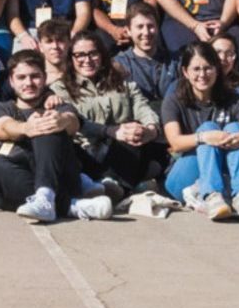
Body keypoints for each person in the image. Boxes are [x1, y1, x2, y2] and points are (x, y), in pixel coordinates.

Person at [0, 50, 107, 222]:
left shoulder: (57, 107)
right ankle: (73, 206)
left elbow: (73, 122)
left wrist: (61, 121)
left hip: (60, 179)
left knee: (48, 124)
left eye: (35, 76)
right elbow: (1, 127)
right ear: (11, 82)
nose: (28, 83)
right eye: (21, 77)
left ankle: (46, 196)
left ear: (44, 78)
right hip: (16, 182)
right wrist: (25, 127)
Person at [159, 43, 239, 221]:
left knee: (235, 128)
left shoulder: (235, 100)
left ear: (217, 70)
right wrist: (205, 138)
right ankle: (213, 195)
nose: (202, 75)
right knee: (208, 128)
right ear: (185, 72)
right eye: (196, 69)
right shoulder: (173, 100)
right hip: (186, 172)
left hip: (224, 167)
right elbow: (175, 143)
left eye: (208, 68)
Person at [54, 32, 166, 198]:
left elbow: (142, 108)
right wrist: (111, 130)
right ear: (71, 58)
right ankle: (127, 184)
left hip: (121, 148)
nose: (87, 60)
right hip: (85, 150)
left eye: (93, 53)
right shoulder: (60, 89)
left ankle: (114, 186)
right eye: (80, 55)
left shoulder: (122, 82)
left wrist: (150, 130)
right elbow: (77, 122)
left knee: (133, 131)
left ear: (102, 55)